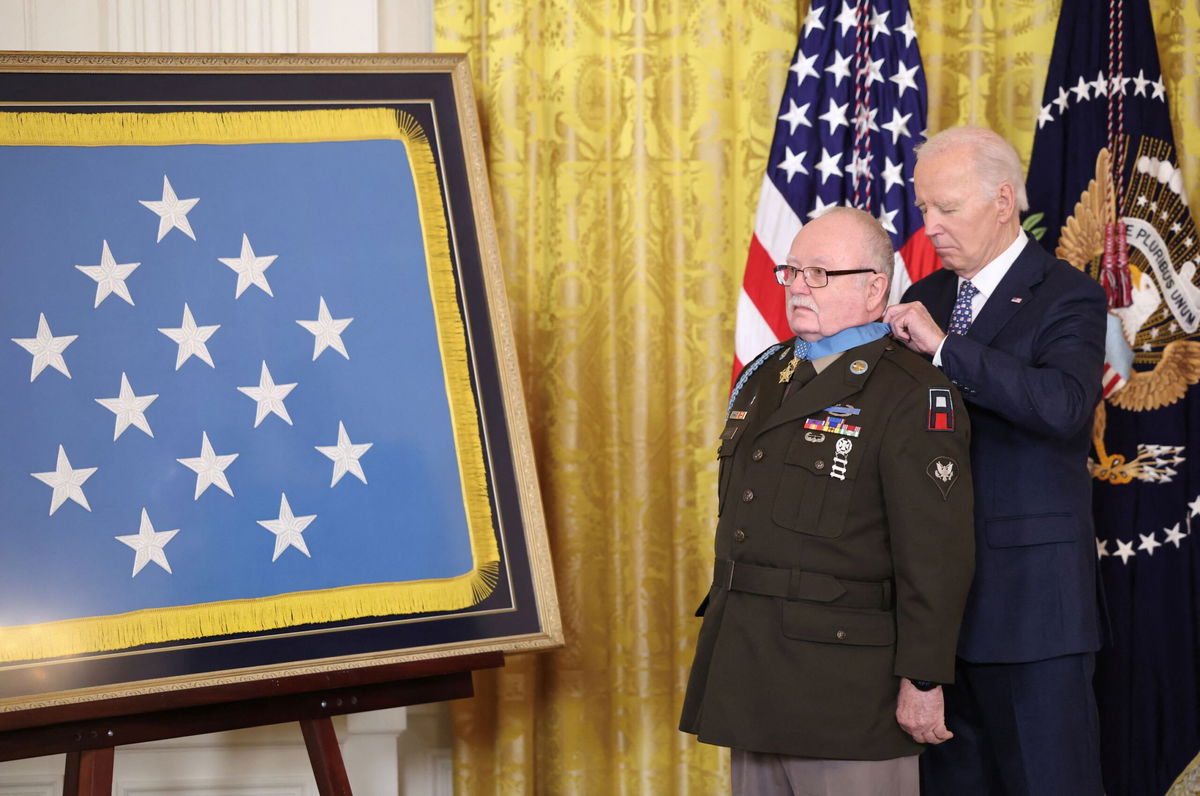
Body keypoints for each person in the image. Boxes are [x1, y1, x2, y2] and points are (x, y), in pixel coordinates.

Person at [680, 207, 975, 796]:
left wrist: (923, 677)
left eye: (820, 273)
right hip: (751, 673)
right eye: (792, 272)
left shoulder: (912, 393)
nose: (798, 287)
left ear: (874, 288)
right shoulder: (768, 373)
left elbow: (935, 555)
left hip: (845, 691)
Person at [883, 125, 1107, 795]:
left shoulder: (1067, 294)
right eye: (925, 209)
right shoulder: (923, 296)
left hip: (1035, 617)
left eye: (946, 208)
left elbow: (1064, 405)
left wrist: (947, 348)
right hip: (937, 623)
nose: (931, 225)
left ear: (1004, 200)